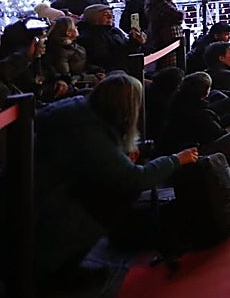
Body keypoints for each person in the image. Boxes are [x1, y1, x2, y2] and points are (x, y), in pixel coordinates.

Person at [32, 73, 198, 282]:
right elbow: (133, 178)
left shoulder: (80, 113)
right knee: (117, 194)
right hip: (46, 207)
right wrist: (175, 160)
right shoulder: (87, 132)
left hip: (43, 195)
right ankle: (57, 268)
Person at [76, 3, 146, 74]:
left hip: (124, 71)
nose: (110, 17)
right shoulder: (87, 36)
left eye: (111, 14)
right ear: (93, 17)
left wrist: (135, 41)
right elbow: (101, 59)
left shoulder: (114, 31)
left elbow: (128, 51)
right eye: (105, 14)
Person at [144, 0, 184, 65]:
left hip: (164, 38)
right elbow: (177, 16)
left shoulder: (154, 3)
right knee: (169, 64)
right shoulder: (160, 3)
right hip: (167, 38)